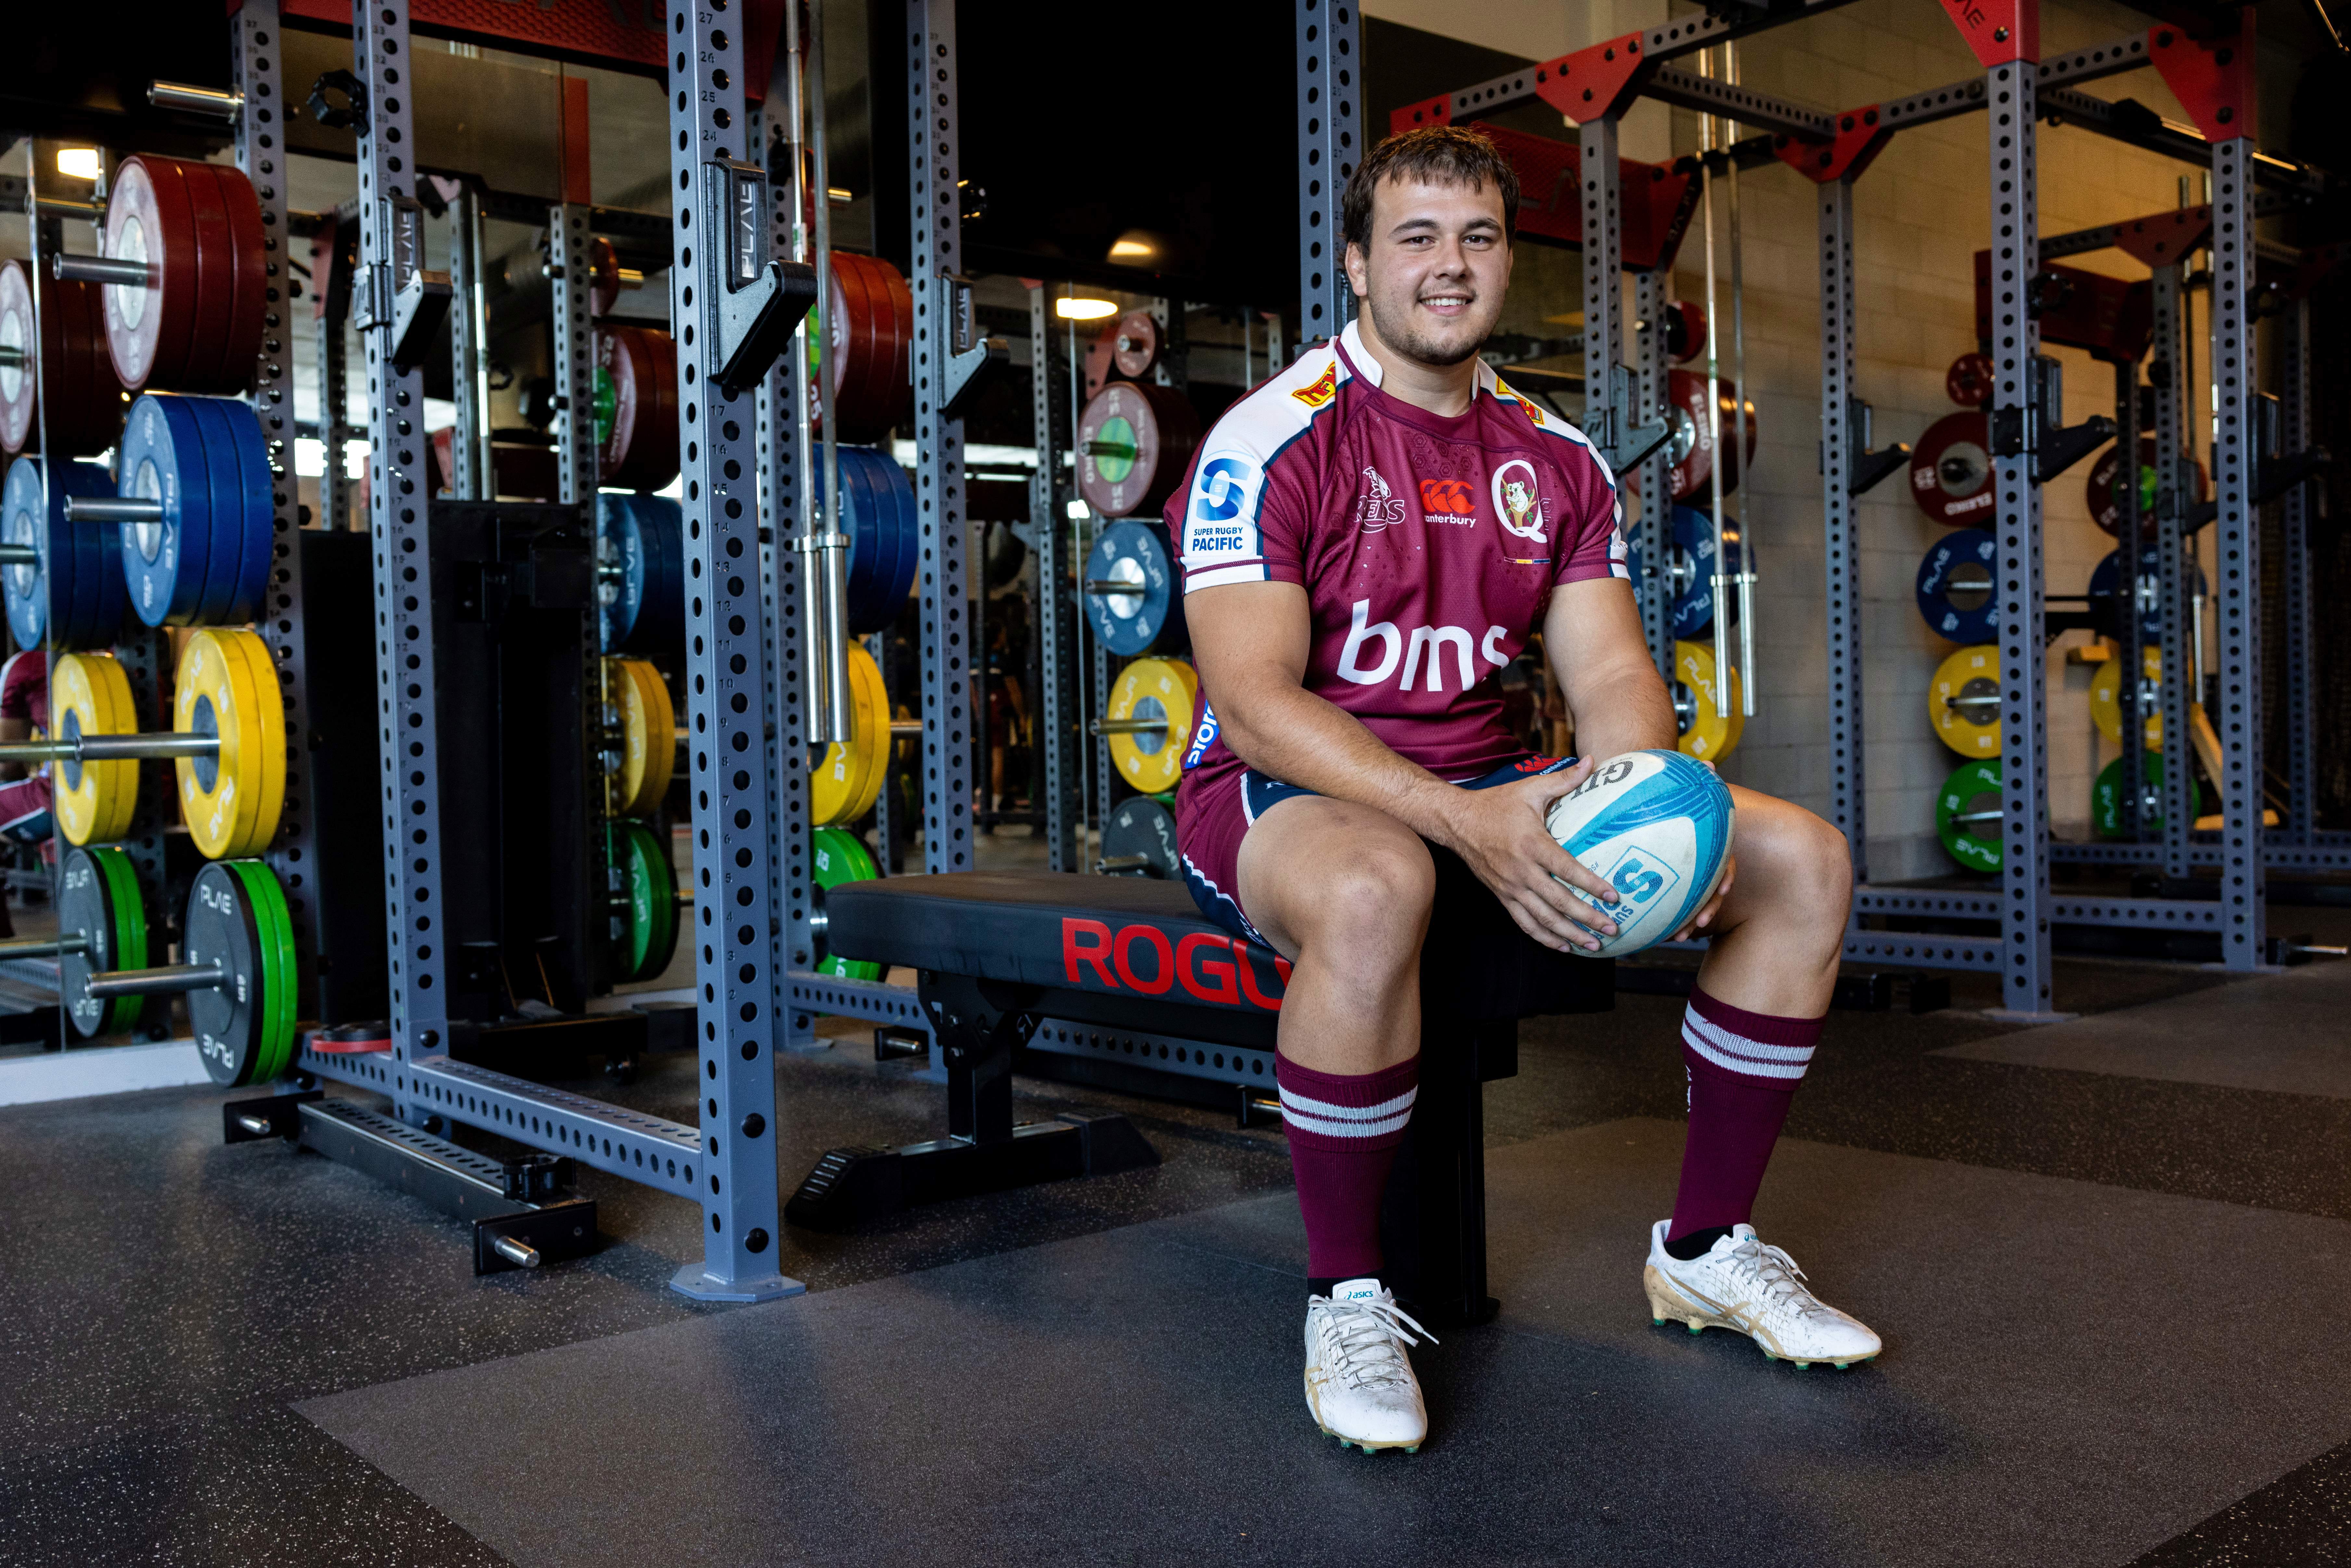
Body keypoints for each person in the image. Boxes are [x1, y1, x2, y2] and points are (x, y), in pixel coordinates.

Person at [1169, 126, 1872, 1455]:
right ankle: (1346, 1294)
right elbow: (1257, 707)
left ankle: (1705, 1248)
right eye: (1416, 239)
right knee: (1381, 885)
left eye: (1477, 238)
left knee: (1803, 860)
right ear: (1357, 267)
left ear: (1505, 265)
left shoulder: (1552, 458)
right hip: (1280, 795)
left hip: (1483, 782)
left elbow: (1611, 676)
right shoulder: (1271, 439)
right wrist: (1461, 820)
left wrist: (1667, 793)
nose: (1449, 266)